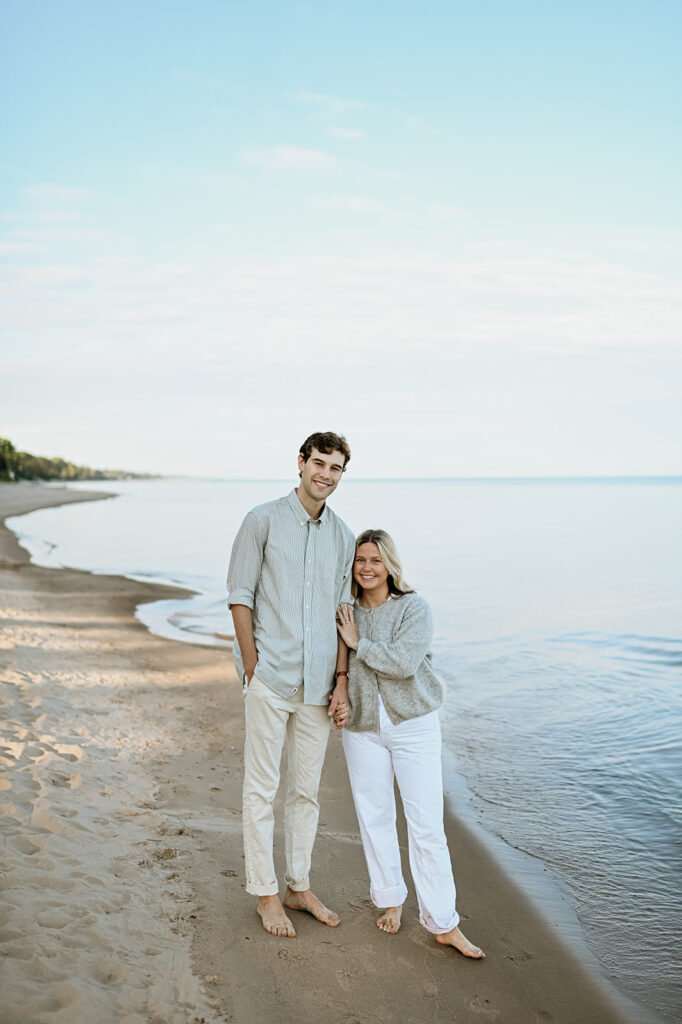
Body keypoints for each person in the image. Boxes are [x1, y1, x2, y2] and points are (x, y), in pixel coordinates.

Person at [227, 431, 355, 939]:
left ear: (342, 474)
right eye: (318, 463)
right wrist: (252, 664)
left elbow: (344, 614)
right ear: (300, 463)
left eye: (335, 468)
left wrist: (341, 681)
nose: (325, 474)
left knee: (306, 793)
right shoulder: (261, 520)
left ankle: (298, 886)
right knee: (261, 790)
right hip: (271, 677)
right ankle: (265, 893)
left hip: (319, 686)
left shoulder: (343, 536)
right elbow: (240, 595)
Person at [333, 528, 484, 958]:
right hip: (362, 728)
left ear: (390, 565)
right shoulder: (345, 612)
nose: (366, 568)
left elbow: (402, 663)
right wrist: (338, 692)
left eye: (375, 560)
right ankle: (390, 899)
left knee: (426, 827)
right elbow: (335, 663)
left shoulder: (414, 608)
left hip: (413, 725)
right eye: (360, 560)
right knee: (374, 817)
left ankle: (443, 922)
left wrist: (359, 643)